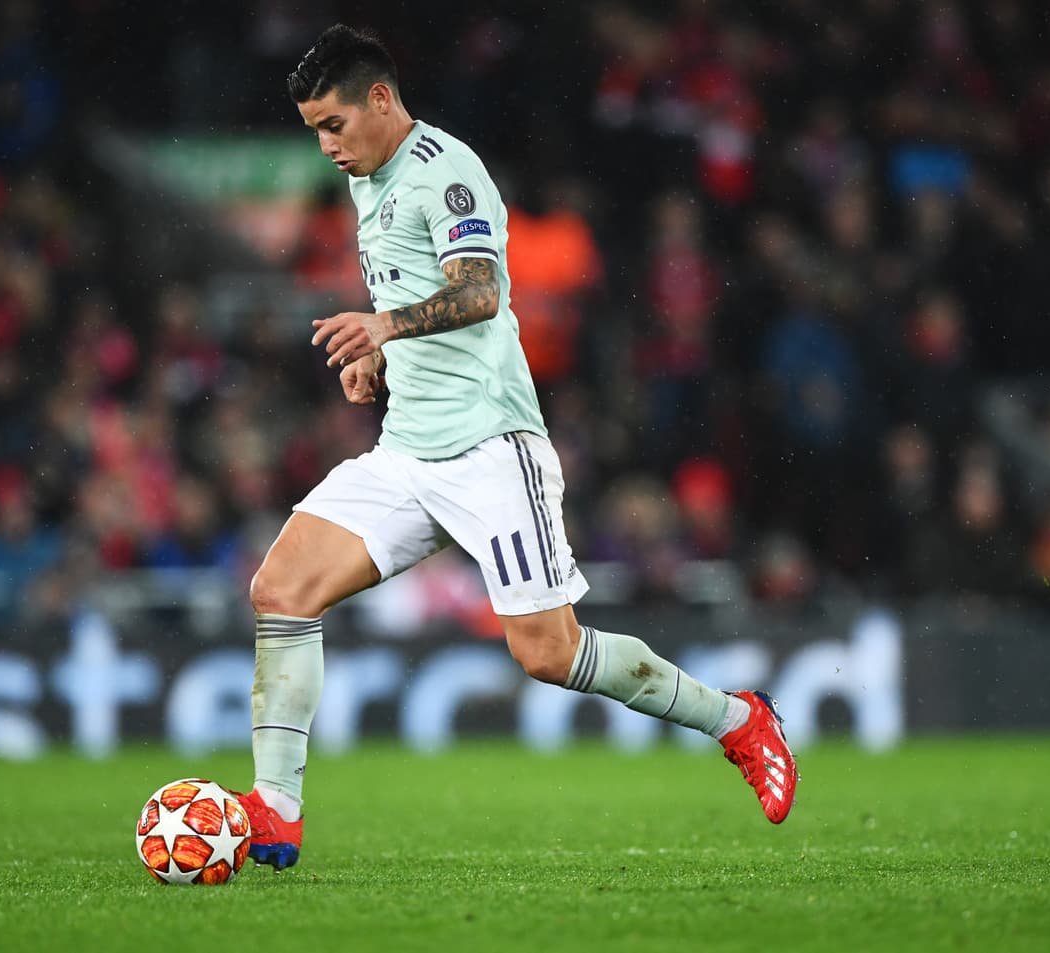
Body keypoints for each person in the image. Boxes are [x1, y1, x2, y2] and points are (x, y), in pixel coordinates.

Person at [235, 24, 799, 872]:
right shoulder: (368, 178)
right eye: (315, 129)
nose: (326, 147)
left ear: (382, 100)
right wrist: (380, 357)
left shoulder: (446, 172)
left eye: (335, 126)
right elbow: (410, 286)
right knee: (280, 587)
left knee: (548, 651)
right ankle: (275, 814)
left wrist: (385, 324)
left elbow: (481, 289)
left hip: (492, 450)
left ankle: (740, 721)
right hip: (407, 452)